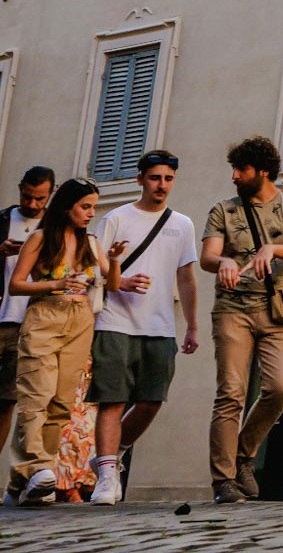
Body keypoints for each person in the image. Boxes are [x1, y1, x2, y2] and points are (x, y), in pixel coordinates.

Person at [199, 137, 283, 504]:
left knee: (281, 387)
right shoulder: (223, 210)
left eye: (242, 169)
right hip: (232, 310)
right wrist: (224, 261)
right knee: (231, 393)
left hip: (279, 309)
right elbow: (207, 257)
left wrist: (274, 248)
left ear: (263, 171)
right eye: (233, 169)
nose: (234, 176)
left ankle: (243, 455)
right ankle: (223, 480)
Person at [86, 150, 199, 505]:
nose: (161, 185)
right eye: (154, 178)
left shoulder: (182, 224)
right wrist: (120, 282)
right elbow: (95, 267)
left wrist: (192, 326)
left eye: (168, 178)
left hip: (160, 326)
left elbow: (186, 277)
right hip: (114, 321)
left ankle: (113, 452)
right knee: (113, 399)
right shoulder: (116, 219)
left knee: (151, 400)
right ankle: (107, 476)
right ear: (140, 179)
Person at [6, 178, 122, 506]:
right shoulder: (41, 238)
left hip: (80, 321)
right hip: (45, 316)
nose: (90, 213)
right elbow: (16, 285)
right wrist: (55, 284)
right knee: (36, 396)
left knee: (60, 402)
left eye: (93, 207)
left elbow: (113, 286)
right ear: (67, 206)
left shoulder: (92, 243)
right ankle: (38, 467)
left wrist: (114, 260)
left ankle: (21, 483)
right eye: (85, 207)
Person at [0, 166, 57, 453]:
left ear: (51, 194)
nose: (32, 204)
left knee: (7, 401)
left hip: (30, 325)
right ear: (20, 189)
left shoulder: (56, 229)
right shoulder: (2, 219)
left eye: (39, 198)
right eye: (27, 197)